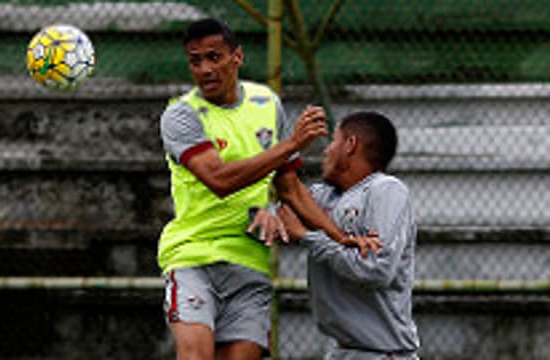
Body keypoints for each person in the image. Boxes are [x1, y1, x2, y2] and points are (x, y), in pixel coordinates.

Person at [158, 18, 380, 360]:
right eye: (195, 60)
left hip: (249, 262)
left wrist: (340, 236)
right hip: (192, 256)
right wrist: (291, 143)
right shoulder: (182, 115)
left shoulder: (265, 103)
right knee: (194, 356)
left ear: (237, 57)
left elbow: (290, 188)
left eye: (214, 57)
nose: (204, 69)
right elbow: (220, 181)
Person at [277, 112, 420, 360]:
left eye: (333, 141)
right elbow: (284, 206)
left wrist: (308, 237)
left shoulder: (385, 190)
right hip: (339, 352)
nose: (326, 151)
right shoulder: (322, 196)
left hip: (382, 354)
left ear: (350, 145)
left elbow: (376, 269)